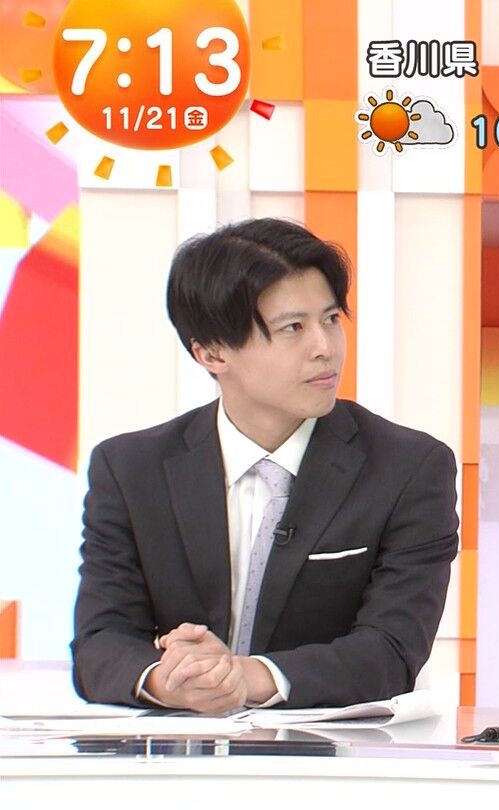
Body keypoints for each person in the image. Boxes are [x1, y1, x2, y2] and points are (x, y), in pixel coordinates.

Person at [72, 218, 459, 713]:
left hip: (330, 750)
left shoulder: (410, 469)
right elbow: (100, 643)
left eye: (331, 319)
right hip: (174, 752)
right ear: (212, 353)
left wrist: (246, 676)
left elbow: (391, 651)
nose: (325, 348)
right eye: (293, 328)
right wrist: (169, 681)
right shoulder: (130, 470)